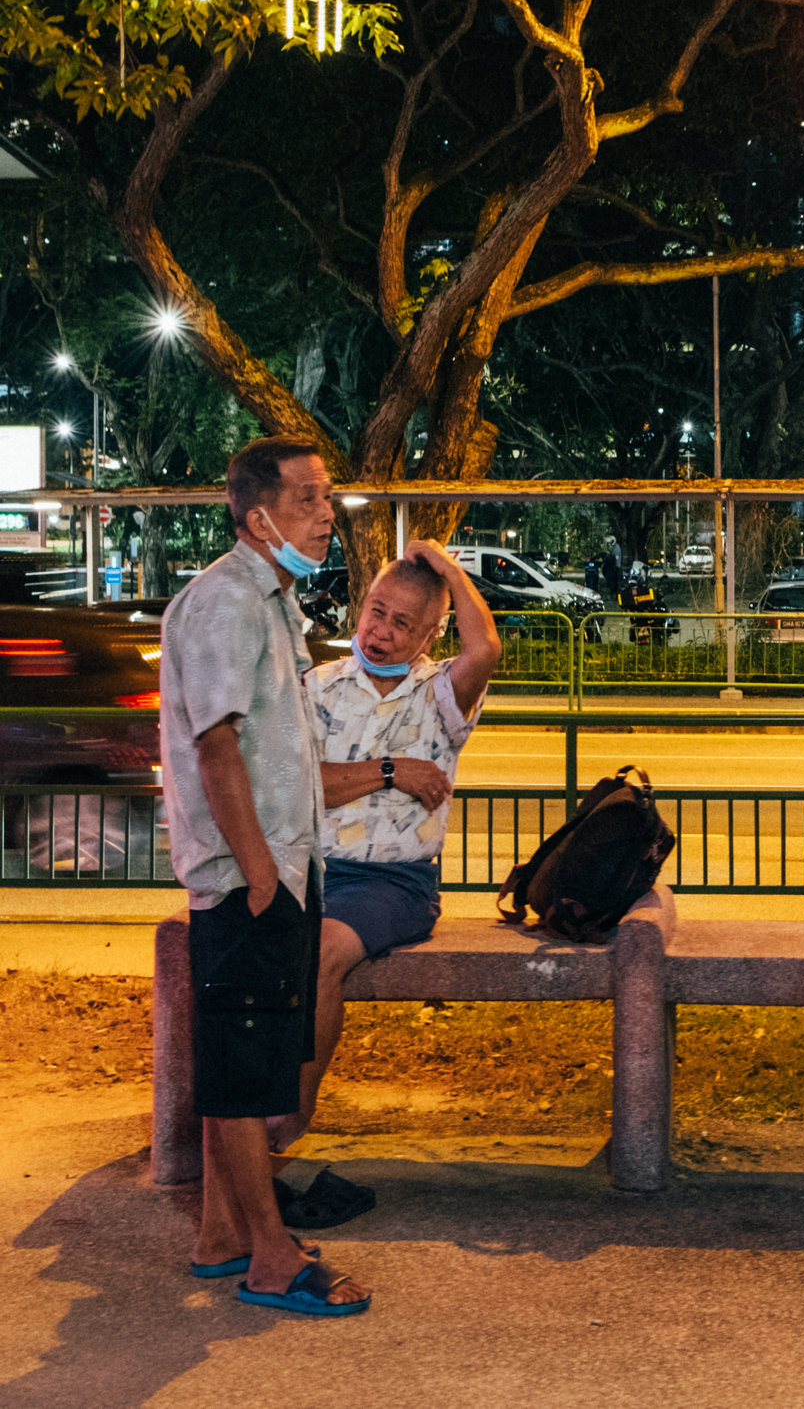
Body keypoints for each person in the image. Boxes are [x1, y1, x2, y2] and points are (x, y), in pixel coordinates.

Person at [159, 436, 371, 1315]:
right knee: (245, 1070)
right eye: (311, 499)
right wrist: (256, 878)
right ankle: (272, 1260)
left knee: (248, 1061)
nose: (329, 514)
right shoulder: (225, 602)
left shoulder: (272, 600)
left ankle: (221, 1233)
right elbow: (216, 747)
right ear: (258, 515)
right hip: (255, 876)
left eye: (328, 499)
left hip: (286, 865)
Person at [262, 540, 501, 1179]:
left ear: (429, 635)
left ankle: (288, 1121)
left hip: (391, 881)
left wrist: (449, 569)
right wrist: (392, 772)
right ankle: (231, 1117)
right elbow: (296, 785)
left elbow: (487, 650)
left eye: (402, 624)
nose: (381, 633)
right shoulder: (317, 687)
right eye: (376, 612)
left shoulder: (442, 695)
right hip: (307, 866)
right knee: (238, 945)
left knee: (318, 953)